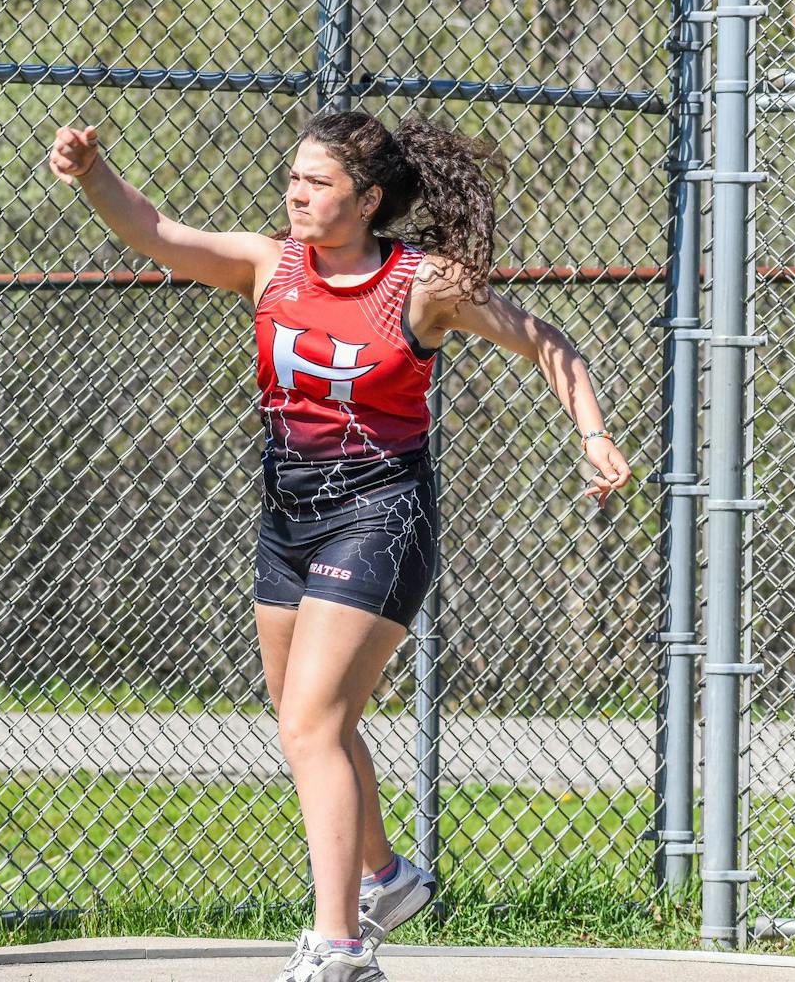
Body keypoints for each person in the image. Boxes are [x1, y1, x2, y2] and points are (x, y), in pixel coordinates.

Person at [49, 110, 633, 982]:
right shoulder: (268, 264)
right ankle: (387, 879)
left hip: (381, 518)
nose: (295, 193)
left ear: (366, 201)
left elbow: (544, 341)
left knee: (311, 725)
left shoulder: (422, 285)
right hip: (287, 521)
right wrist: (92, 172)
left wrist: (592, 434)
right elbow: (158, 233)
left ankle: (340, 947)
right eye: (293, 177)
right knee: (313, 723)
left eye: (317, 182)